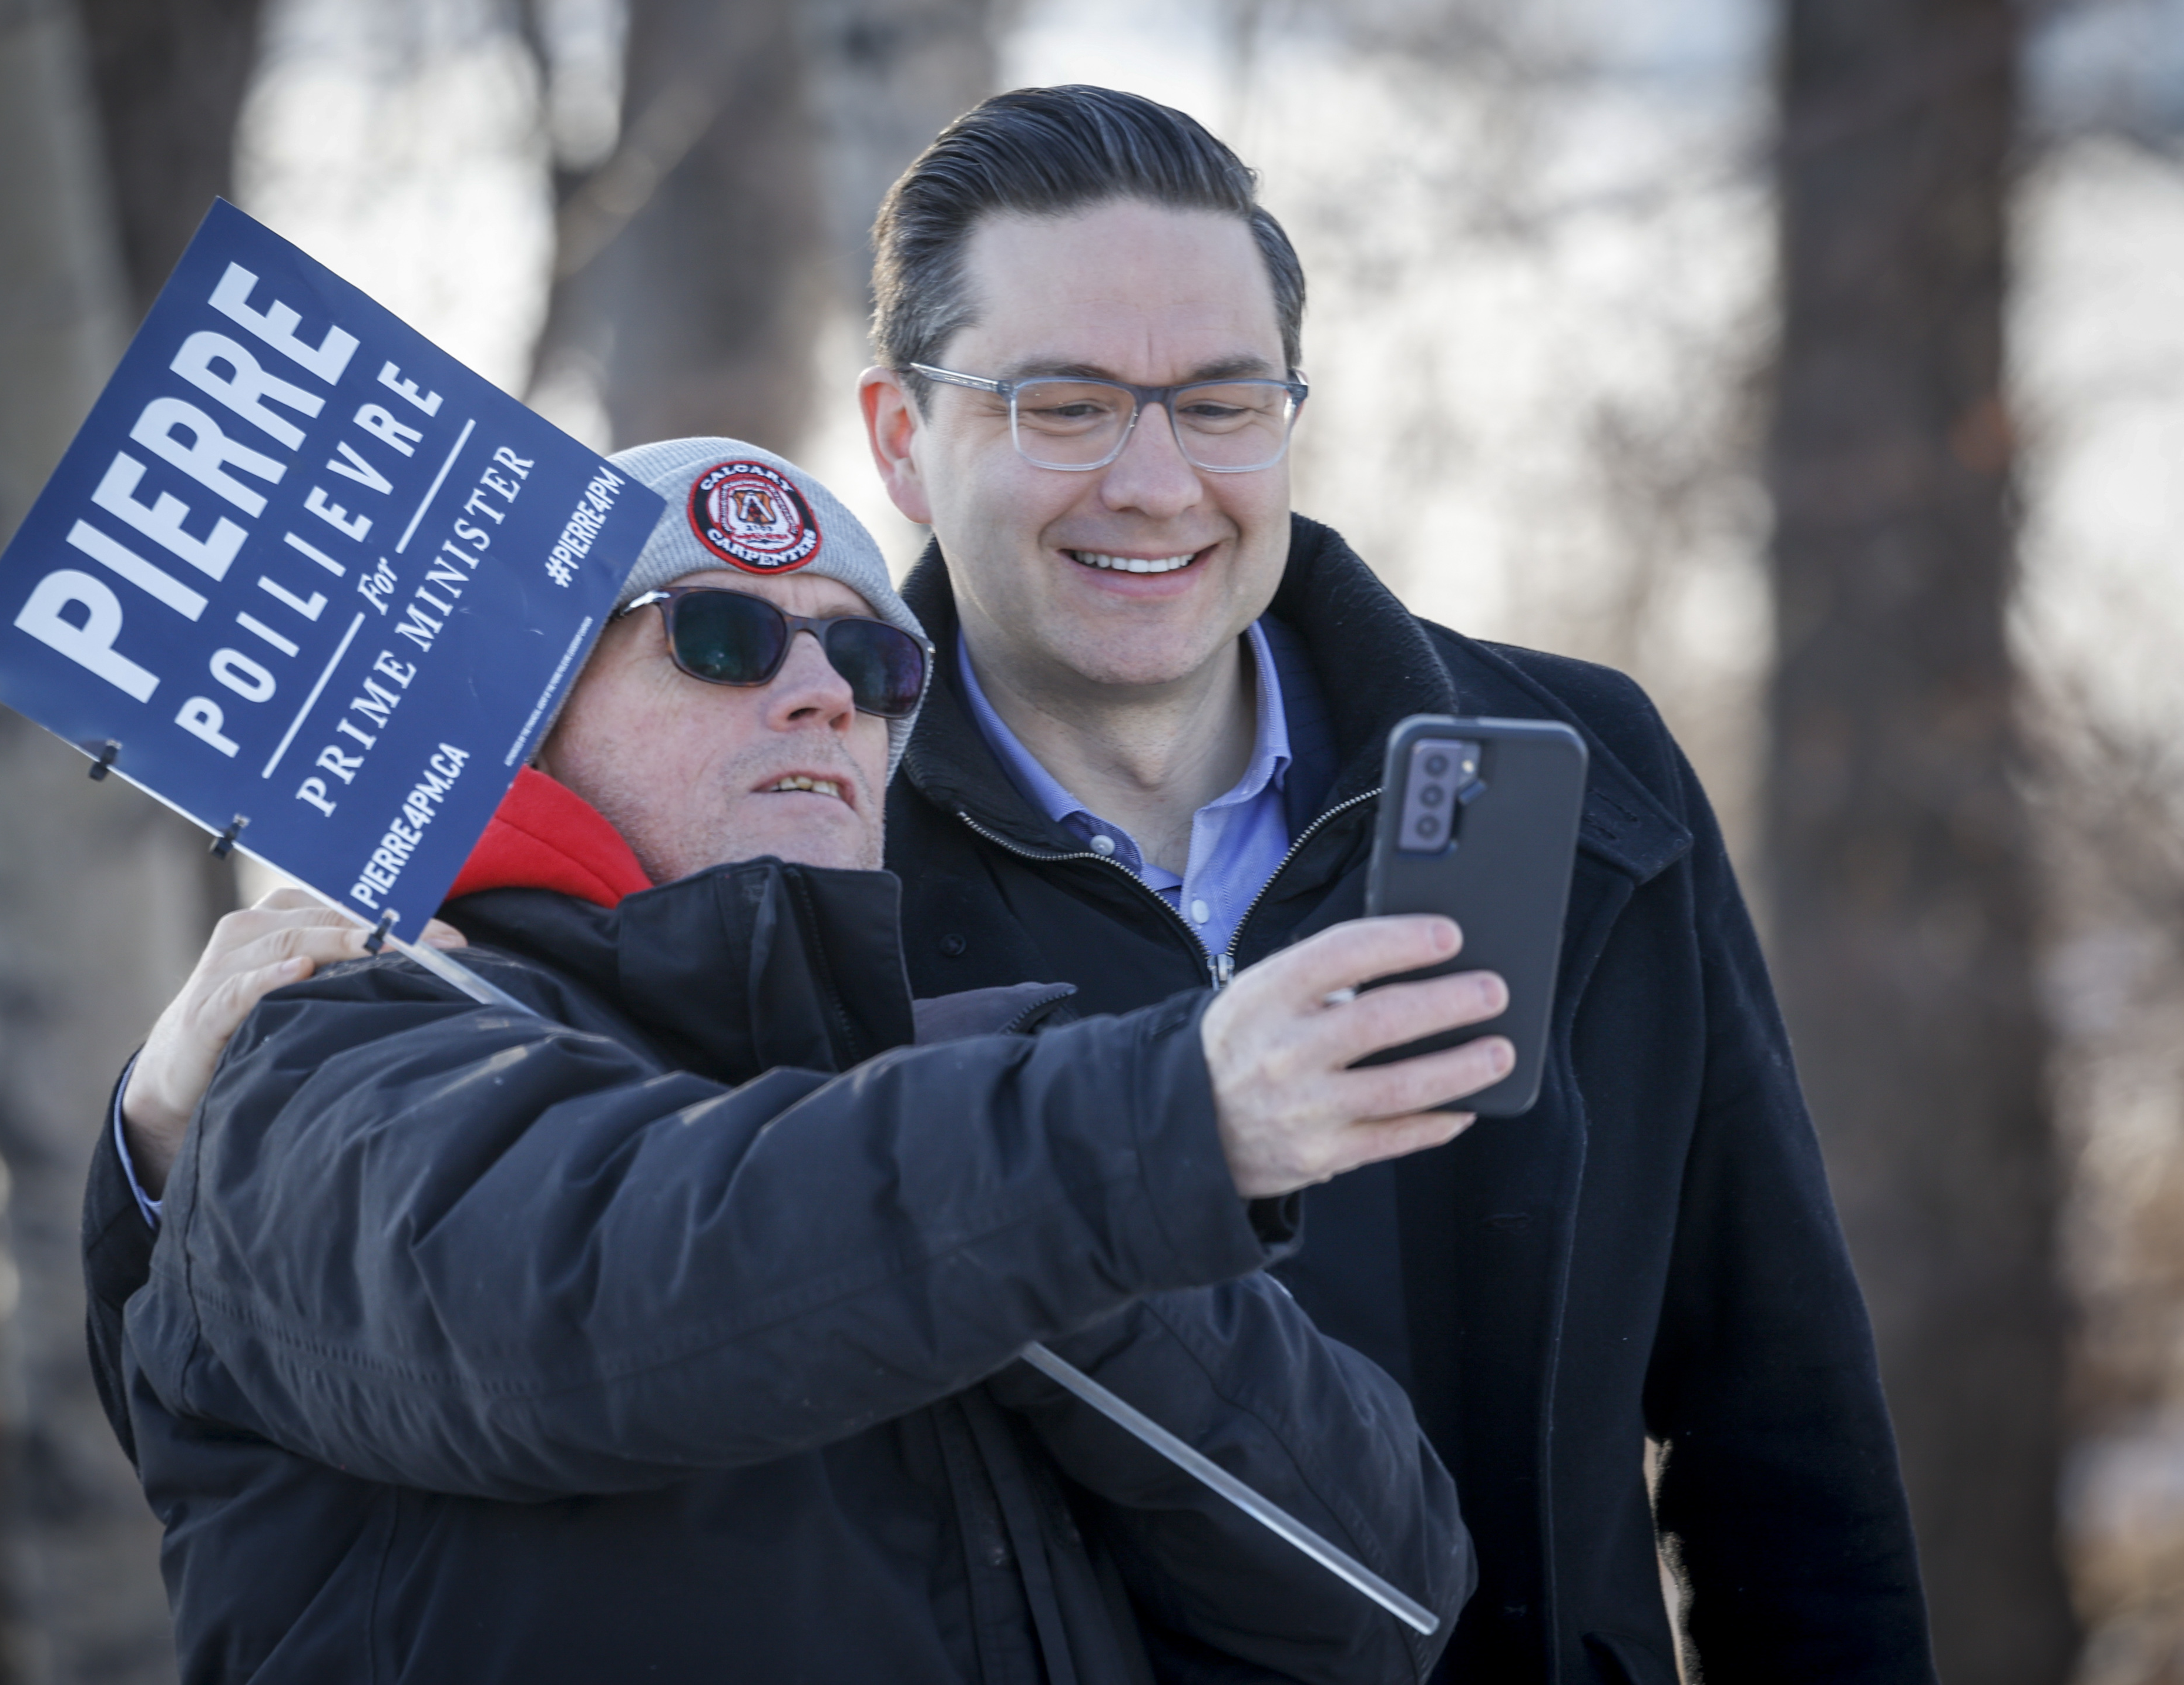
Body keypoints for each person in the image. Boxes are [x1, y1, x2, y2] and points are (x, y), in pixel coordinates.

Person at [112, 86, 1939, 1683]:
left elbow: (1765, 1425)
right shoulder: (797, 902)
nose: (1154, 480)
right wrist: (150, 1152)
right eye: (1062, 403)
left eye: (1223, 401)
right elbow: (469, 1298)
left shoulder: (1586, 781)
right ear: (904, 439)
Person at [88, 436, 1493, 1682]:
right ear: (521, 714)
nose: (826, 695)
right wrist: (1148, 1131)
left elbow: (1382, 1600)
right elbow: (592, 1302)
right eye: (720, 638)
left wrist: (1061, 1226)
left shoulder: (968, 1094)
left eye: (876, 664)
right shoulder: (332, 1047)